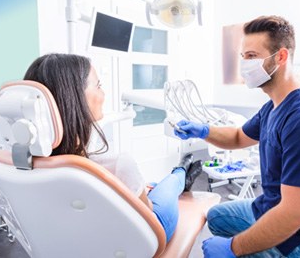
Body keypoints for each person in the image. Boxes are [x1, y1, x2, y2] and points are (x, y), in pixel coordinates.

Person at [174, 16, 300, 257]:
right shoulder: (274, 106)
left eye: (252, 56)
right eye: (243, 56)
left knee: (233, 246)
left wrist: (233, 248)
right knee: (215, 218)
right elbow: (237, 137)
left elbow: (294, 215)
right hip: (271, 206)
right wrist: (203, 130)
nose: (244, 65)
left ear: (281, 57)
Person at [23, 53, 202, 243]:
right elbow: (148, 215)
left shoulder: (22, 164)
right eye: (98, 86)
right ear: (74, 98)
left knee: (153, 186)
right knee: (169, 187)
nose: (104, 93)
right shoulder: (117, 164)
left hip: (74, 242)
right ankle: (181, 172)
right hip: (143, 238)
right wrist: (143, 195)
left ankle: (166, 180)